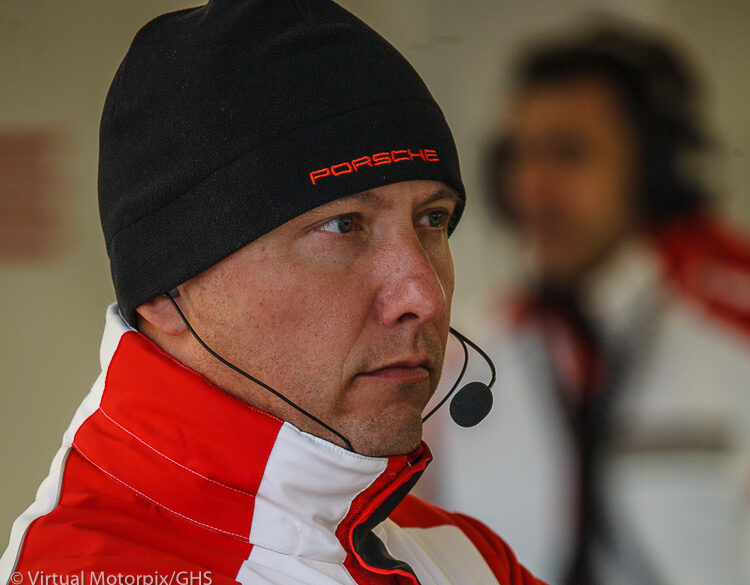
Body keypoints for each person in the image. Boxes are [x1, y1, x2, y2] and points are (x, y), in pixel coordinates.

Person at [0, 2, 546, 585]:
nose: (424, 296)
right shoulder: (91, 573)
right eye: (343, 225)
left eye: (432, 219)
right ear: (164, 289)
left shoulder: (469, 555)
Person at [425, 23, 750, 585]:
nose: (531, 187)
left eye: (569, 154)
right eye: (519, 156)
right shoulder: (461, 359)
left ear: (651, 172)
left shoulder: (733, 331)